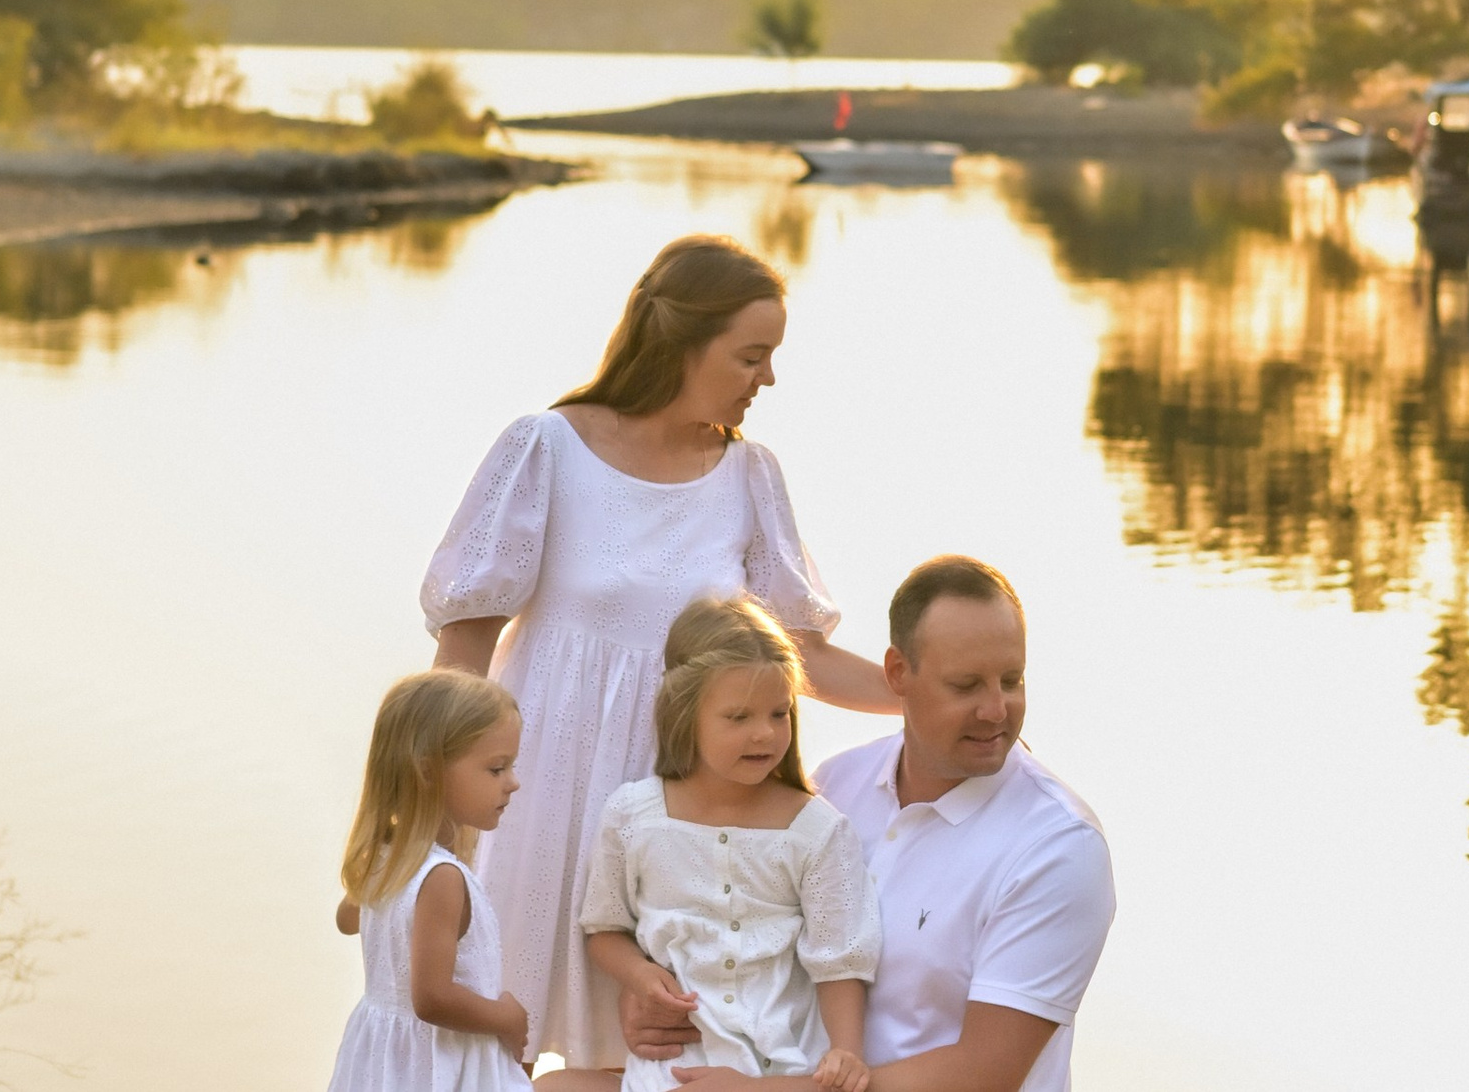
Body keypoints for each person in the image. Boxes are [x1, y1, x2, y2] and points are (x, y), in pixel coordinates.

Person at [421, 235, 896, 1074]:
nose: (768, 379)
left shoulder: (749, 476)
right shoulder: (546, 448)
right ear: (683, 341)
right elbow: (464, 644)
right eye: (753, 355)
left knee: (654, 1060)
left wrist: (927, 700)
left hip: (677, 825)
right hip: (540, 798)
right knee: (500, 1048)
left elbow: (802, 658)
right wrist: (421, 820)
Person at [645, 557, 1117, 1092]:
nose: (995, 710)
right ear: (897, 674)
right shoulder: (832, 786)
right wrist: (661, 1002)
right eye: (966, 686)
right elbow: (746, 941)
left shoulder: (1058, 847)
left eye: (1012, 681)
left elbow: (985, 1074)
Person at [536, 596, 881, 1092]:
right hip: (668, 1068)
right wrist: (637, 975)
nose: (764, 733)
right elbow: (605, 928)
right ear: (685, 714)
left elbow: (840, 959)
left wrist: (847, 1052)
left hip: (777, 1071)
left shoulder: (816, 830)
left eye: (779, 713)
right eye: (738, 718)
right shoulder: (633, 815)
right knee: (552, 1085)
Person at [325, 670, 533, 1092]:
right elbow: (432, 998)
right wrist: (507, 1017)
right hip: (443, 1064)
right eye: (496, 769)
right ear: (428, 772)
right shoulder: (442, 878)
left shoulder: (387, 860)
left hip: (385, 1062)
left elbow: (347, 919)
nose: (513, 782)